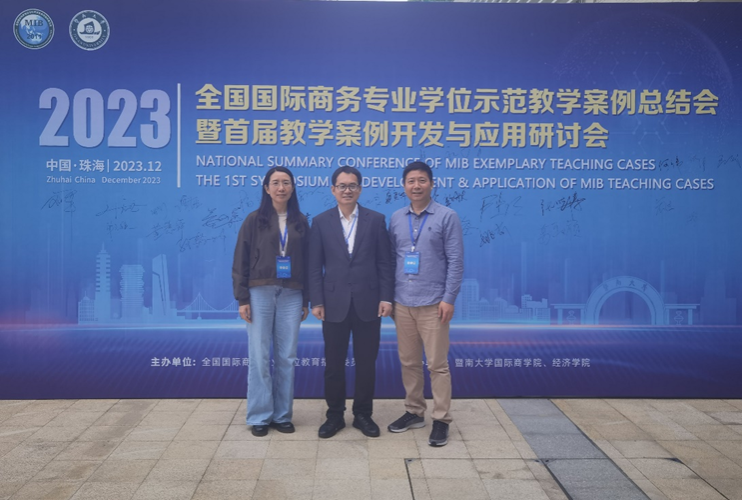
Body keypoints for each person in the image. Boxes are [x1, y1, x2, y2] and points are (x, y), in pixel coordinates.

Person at [308, 166, 394, 438]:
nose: (347, 190)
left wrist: (386, 297)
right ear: (333, 189)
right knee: (333, 365)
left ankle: (363, 415)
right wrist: (316, 300)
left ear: (360, 189)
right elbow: (314, 266)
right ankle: (334, 415)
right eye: (342, 186)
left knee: (366, 364)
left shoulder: (375, 220)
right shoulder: (320, 222)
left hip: (369, 301)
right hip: (333, 302)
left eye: (352, 185)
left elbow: (385, 262)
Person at [387, 161, 464, 447]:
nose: (416, 186)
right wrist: (390, 298)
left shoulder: (447, 216)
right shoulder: (396, 218)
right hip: (402, 302)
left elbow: (456, 260)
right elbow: (391, 260)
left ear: (432, 183)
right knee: (408, 362)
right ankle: (414, 411)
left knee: (437, 365)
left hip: (434, 303)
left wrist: (449, 299)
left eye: (421, 180)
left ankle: (441, 419)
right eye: (411, 181)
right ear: (404, 185)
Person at [232, 166, 310, 437]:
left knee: (287, 356)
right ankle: (260, 416)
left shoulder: (300, 221)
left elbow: (309, 262)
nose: (281, 188)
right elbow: (240, 259)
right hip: (259, 292)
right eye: (275, 183)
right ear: (266, 188)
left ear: (292, 188)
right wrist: (242, 297)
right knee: (259, 355)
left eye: (286, 182)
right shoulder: (254, 220)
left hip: (292, 294)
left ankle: (282, 415)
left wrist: (306, 298)